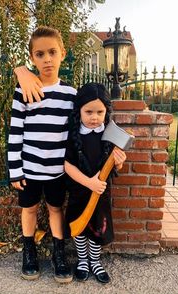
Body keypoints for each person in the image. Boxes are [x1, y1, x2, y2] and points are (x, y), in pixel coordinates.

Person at [8, 26, 77, 283]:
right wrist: (15, 168)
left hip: (57, 170)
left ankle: (59, 255)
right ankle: (29, 253)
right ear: (32, 58)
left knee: (56, 209)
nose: (47, 59)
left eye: (52, 52)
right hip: (29, 169)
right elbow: (16, 132)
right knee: (29, 210)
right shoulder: (23, 92)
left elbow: (80, 131)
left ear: (62, 54)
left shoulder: (71, 95)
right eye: (40, 54)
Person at [64, 82, 126, 284]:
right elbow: (67, 165)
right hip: (79, 190)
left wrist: (120, 161)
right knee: (80, 227)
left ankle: (95, 261)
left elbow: (117, 168)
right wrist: (89, 183)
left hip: (101, 193)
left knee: (98, 227)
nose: (94, 117)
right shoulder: (73, 136)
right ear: (79, 110)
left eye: (100, 112)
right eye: (88, 111)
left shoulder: (110, 134)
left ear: (106, 112)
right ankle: (82, 260)